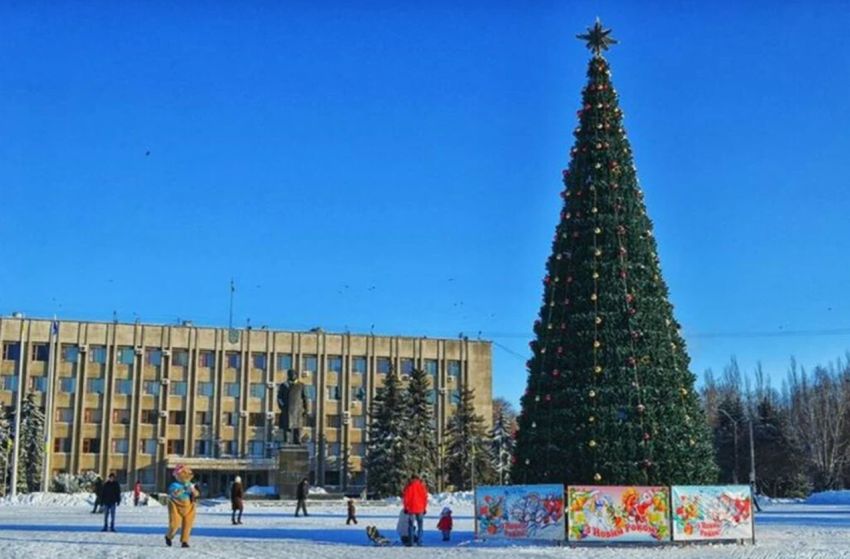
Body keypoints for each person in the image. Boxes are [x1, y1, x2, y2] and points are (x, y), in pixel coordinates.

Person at [165, 464, 200, 548]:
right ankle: (169, 536)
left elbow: (197, 494)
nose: (186, 476)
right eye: (183, 473)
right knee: (174, 524)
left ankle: (184, 541)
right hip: (175, 505)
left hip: (189, 506)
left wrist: (193, 490)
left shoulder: (190, 484)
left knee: (188, 524)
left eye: (187, 474)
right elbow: (174, 493)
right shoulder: (174, 485)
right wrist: (184, 488)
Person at [401, 474, 428, 546]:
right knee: (420, 526)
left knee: (410, 526)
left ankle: (411, 542)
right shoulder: (422, 486)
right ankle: (419, 541)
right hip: (420, 508)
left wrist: (406, 507)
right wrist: (424, 508)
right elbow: (425, 498)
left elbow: (406, 498)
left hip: (411, 508)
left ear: (412, 478)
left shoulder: (409, 486)